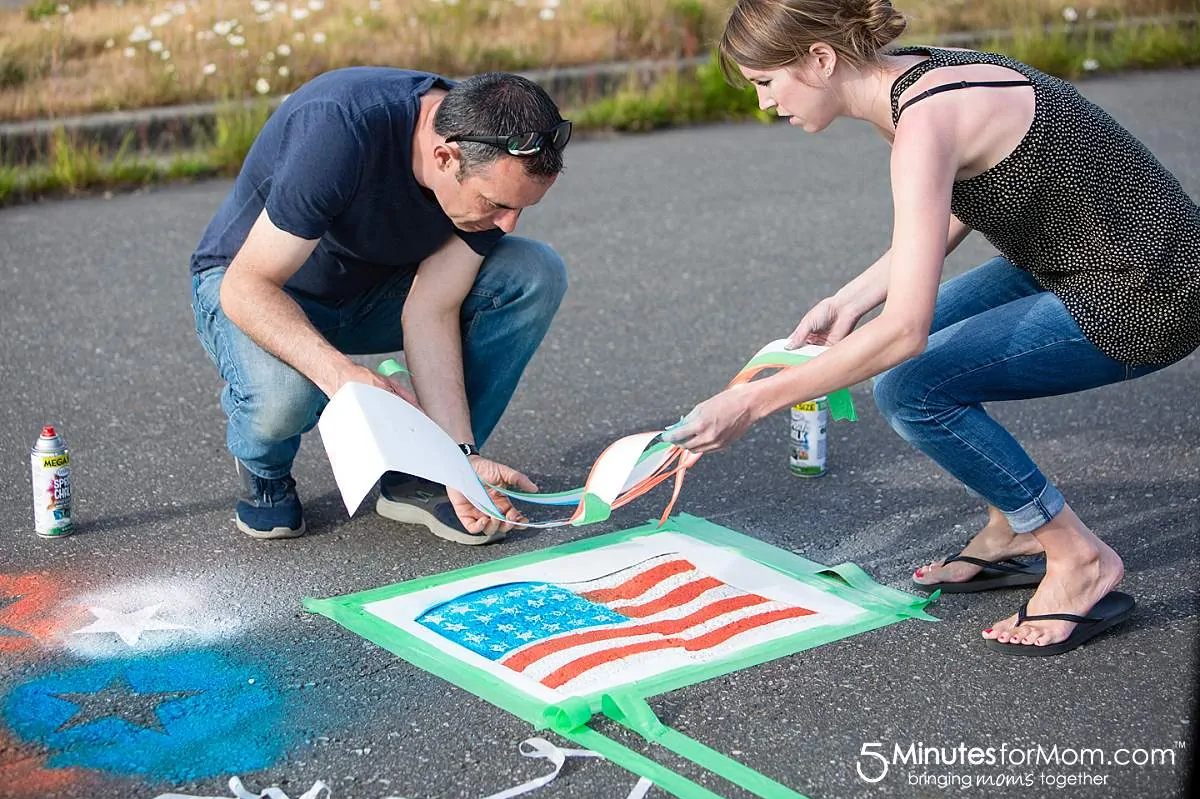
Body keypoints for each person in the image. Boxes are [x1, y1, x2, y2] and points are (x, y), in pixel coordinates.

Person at [663, 0, 1199, 655]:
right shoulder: (920, 77)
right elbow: (966, 198)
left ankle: (1079, 558)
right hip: (1074, 255)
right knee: (892, 352)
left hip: (1147, 291)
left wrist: (750, 402)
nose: (763, 103)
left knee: (909, 385)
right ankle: (1014, 527)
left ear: (821, 59)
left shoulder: (919, 125)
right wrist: (850, 298)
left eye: (765, 82)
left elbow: (904, 334)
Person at [190, 68, 572, 545]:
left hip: (374, 291)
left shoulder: (490, 151)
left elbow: (432, 309)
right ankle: (265, 468)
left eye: (521, 208)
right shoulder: (340, 129)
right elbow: (246, 288)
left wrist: (457, 457)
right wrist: (342, 376)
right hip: (260, 286)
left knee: (532, 272)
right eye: (496, 205)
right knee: (286, 398)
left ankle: (420, 476)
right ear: (444, 156)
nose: (508, 223)